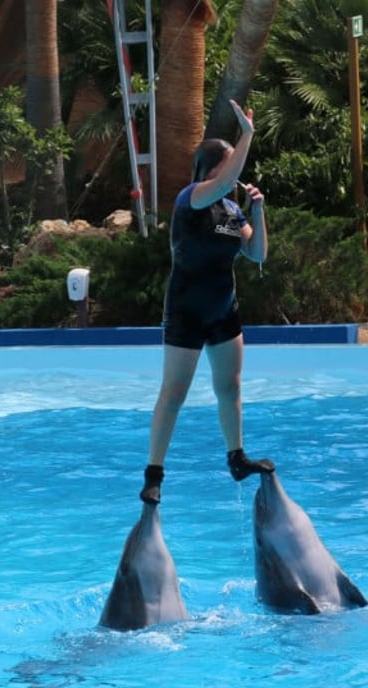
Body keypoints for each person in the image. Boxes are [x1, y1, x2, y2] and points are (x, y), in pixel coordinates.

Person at [140, 100, 275, 505]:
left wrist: (259, 210)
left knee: (229, 387)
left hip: (223, 309)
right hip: (186, 310)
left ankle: (236, 457)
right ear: (213, 167)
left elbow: (258, 254)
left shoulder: (232, 209)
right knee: (174, 392)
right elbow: (222, 181)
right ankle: (154, 474)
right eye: (230, 166)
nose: (236, 175)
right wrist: (247, 134)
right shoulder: (191, 200)